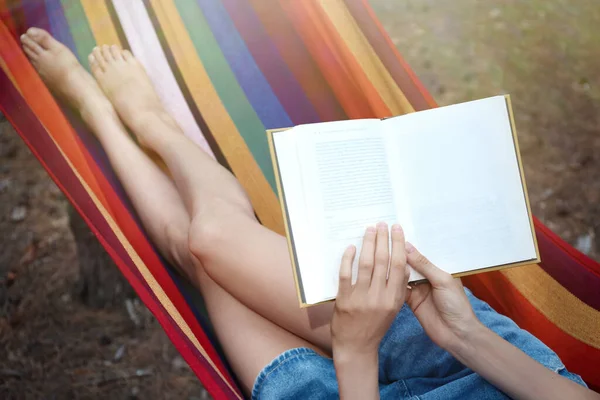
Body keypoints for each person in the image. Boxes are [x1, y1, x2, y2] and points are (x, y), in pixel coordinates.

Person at [19, 27, 597, 400]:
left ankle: (100, 111)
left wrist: (354, 350)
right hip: (481, 368)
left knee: (194, 253)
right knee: (213, 240)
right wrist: (465, 335)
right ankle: (155, 127)